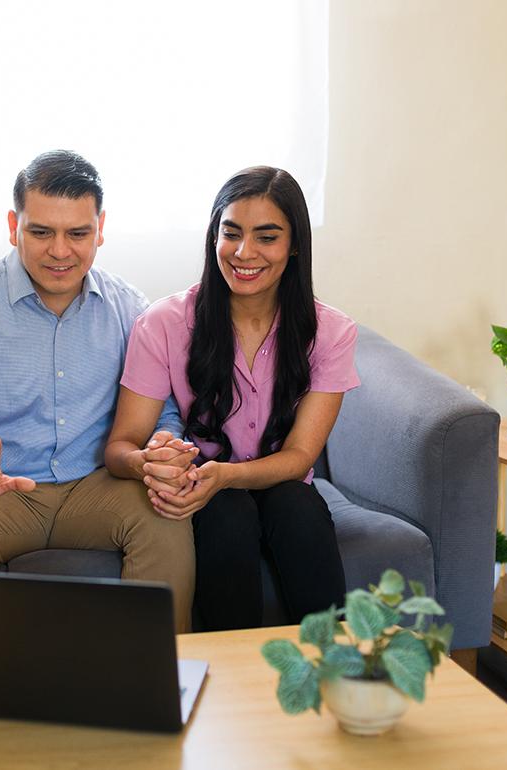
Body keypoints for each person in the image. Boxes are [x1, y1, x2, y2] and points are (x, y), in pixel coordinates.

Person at [0, 150, 196, 632]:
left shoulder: (130, 310)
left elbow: (164, 411)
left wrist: (162, 449)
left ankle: (152, 689)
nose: (60, 251)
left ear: (100, 229)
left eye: (78, 233)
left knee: (166, 516)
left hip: (97, 488)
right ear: (13, 225)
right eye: (41, 232)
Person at [105, 166, 359, 631]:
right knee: (226, 511)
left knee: (295, 506)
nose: (244, 253)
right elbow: (121, 446)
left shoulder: (332, 332)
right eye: (231, 233)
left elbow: (302, 455)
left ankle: (335, 669)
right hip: (207, 492)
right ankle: (230, 682)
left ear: (294, 244)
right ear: (214, 236)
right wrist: (149, 462)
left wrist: (227, 475)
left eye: (267, 237)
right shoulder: (163, 323)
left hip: (282, 486)